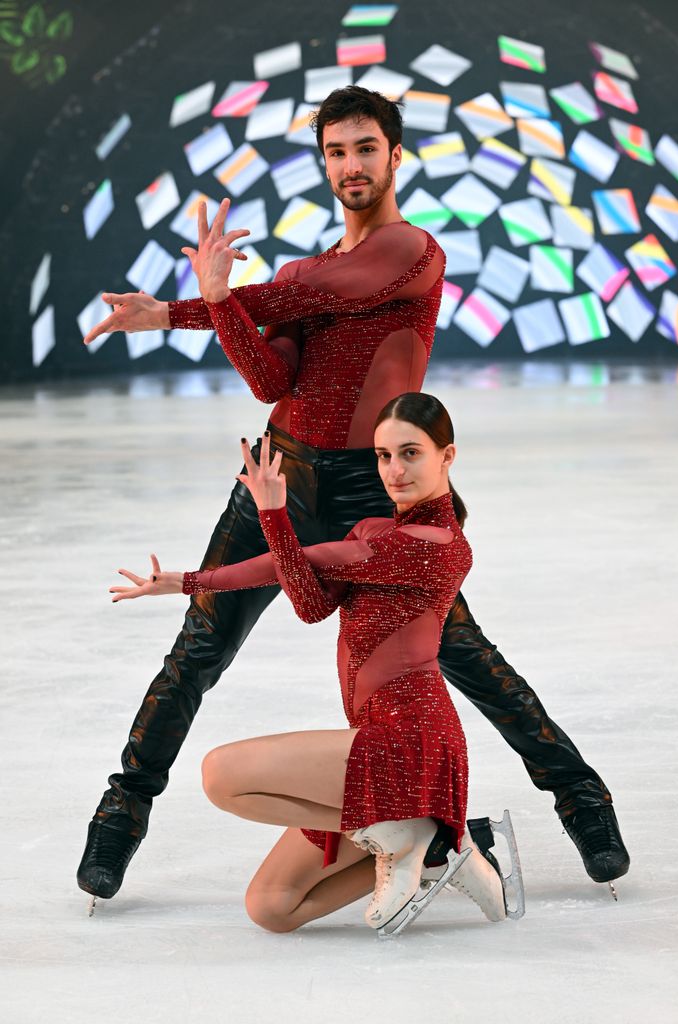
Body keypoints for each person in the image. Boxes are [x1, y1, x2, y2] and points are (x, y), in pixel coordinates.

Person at [78, 86, 628, 904]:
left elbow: (314, 297)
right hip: (279, 477)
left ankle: (580, 798)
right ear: (324, 163)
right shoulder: (302, 272)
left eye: (365, 147)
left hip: (377, 490)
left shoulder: (409, 252)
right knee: (198, 649)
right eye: (336, 151)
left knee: (462, 652)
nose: (350, 165)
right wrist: (218, 306)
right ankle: (120, 814)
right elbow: (270, 377)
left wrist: (177, 312)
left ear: (394, 155)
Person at [109, 394, 519, 934]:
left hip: (409, 742)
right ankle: (437, 845)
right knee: (272, 907)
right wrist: (273, 521)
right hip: (378, 737)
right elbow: (309, 603)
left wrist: (195, 577)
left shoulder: (434, 544)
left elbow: (295, 562)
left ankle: (411, 831)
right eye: (383, 456)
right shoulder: (374, 530)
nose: (394, 470)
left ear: (447, 456)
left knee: (220, 775)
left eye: (410, 453)